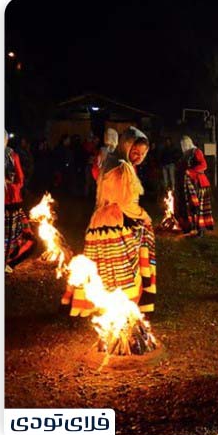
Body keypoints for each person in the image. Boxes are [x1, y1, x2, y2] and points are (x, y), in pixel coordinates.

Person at [61, 127, 156, 317]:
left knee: (101, 264)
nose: (139, 157)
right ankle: (129, 302)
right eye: (135, 152)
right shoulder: (121, 167)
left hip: (101, 220)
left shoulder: (112, 161)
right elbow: (125, 202)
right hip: (115, 221)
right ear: (126, 146)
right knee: (127, 260)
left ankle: (76, 301)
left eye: (143, 154)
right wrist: (144, 216)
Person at [4, 131, 35, 272]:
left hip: (11, 200)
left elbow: (20, 179)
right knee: (10, 235)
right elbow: (20, 179)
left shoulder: (13, 155)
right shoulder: (13, 155)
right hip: (9, 202)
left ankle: (6, 261)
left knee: (13, 235)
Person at [175, 135, 214, 237]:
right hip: (191, 185)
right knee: (191, 207)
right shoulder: (186, 155)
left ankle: (201, 229)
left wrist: (191, 171)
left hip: (200, 184)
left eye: (183, 144)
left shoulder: (196, 152)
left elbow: (204, 165)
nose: (182, 146)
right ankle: (192, 227)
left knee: (199, 207)